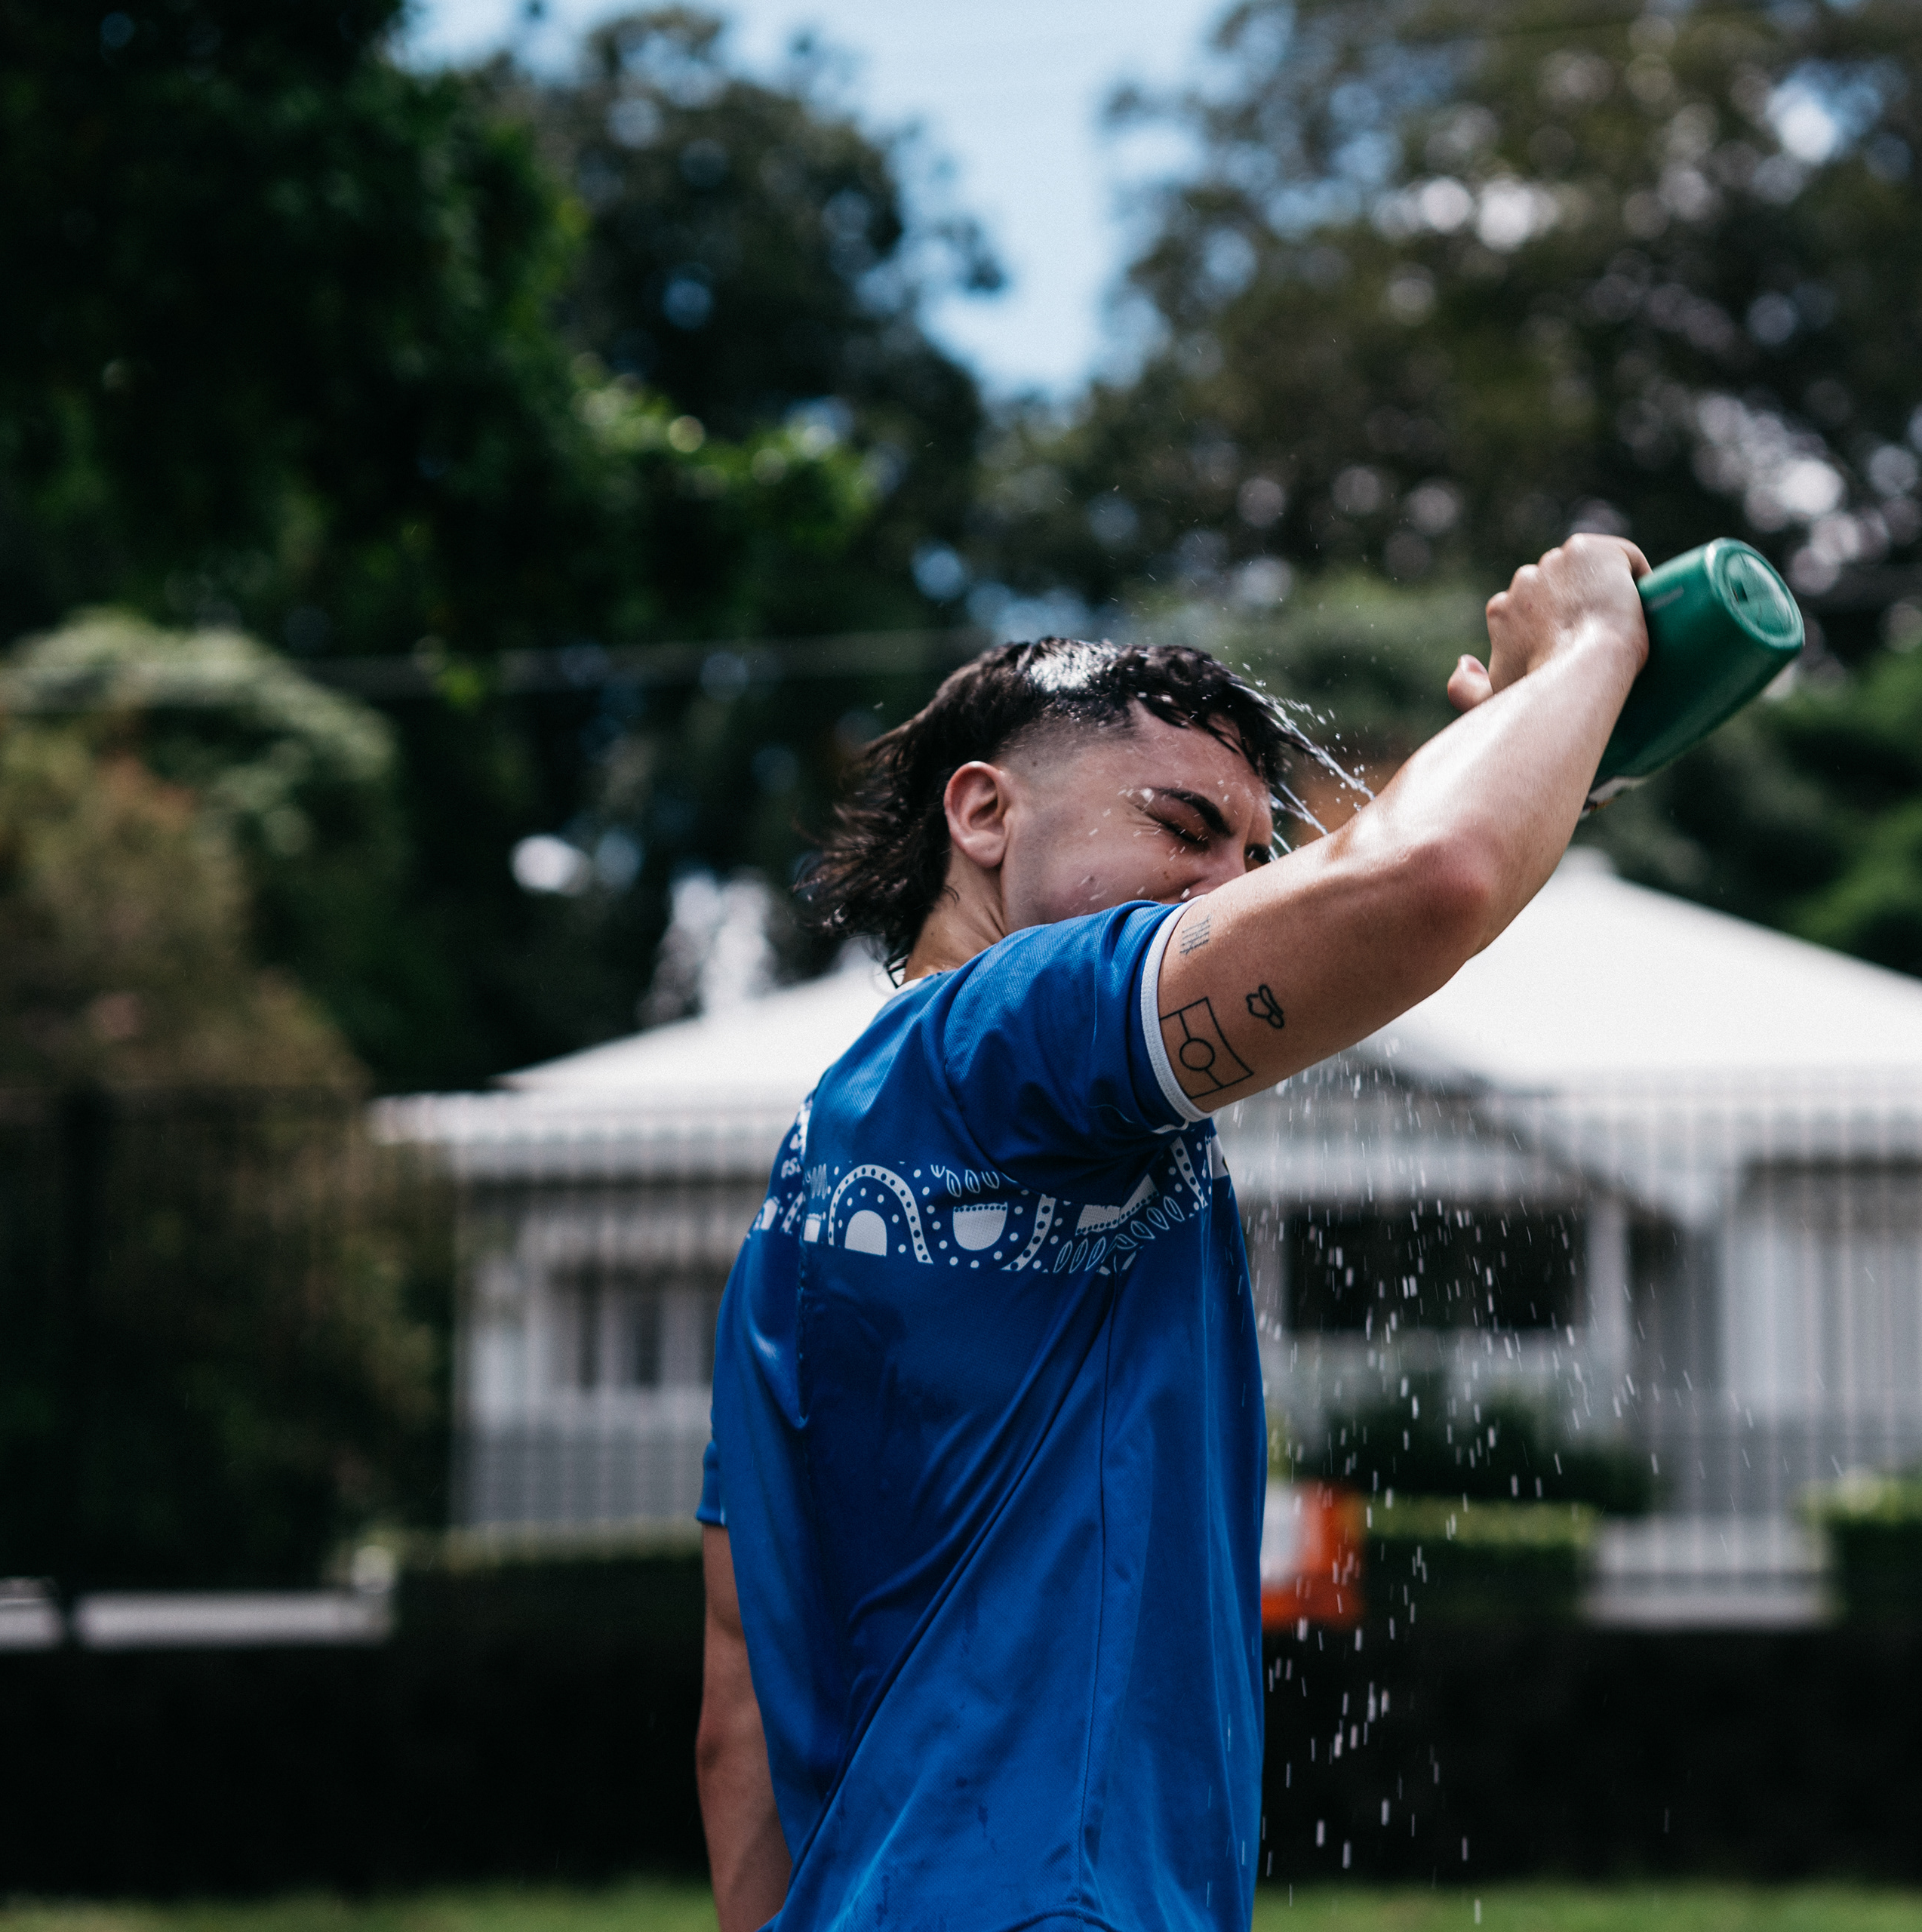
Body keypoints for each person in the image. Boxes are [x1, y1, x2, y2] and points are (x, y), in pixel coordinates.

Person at [693, 533, 1653, 1932]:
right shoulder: (1026, 1024)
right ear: (984, 813)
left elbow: (738, 1711)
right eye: (1181, 827)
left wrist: (1541, 742)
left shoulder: (818, 1180)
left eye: (1255, 856)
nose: (1229, 889)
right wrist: (1592, 646)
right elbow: (1429, 877)